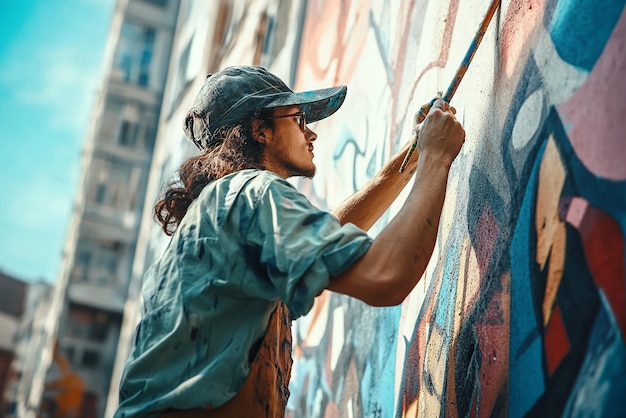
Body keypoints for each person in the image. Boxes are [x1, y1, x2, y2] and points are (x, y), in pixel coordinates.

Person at [115, 65, 465, 417]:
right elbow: (386, 276)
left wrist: (415, 152)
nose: (310, 134)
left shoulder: (219, 214)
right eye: (298, 119)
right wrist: (436, 157)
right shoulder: (251, 192)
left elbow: (330, 232)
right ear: (259, 130)